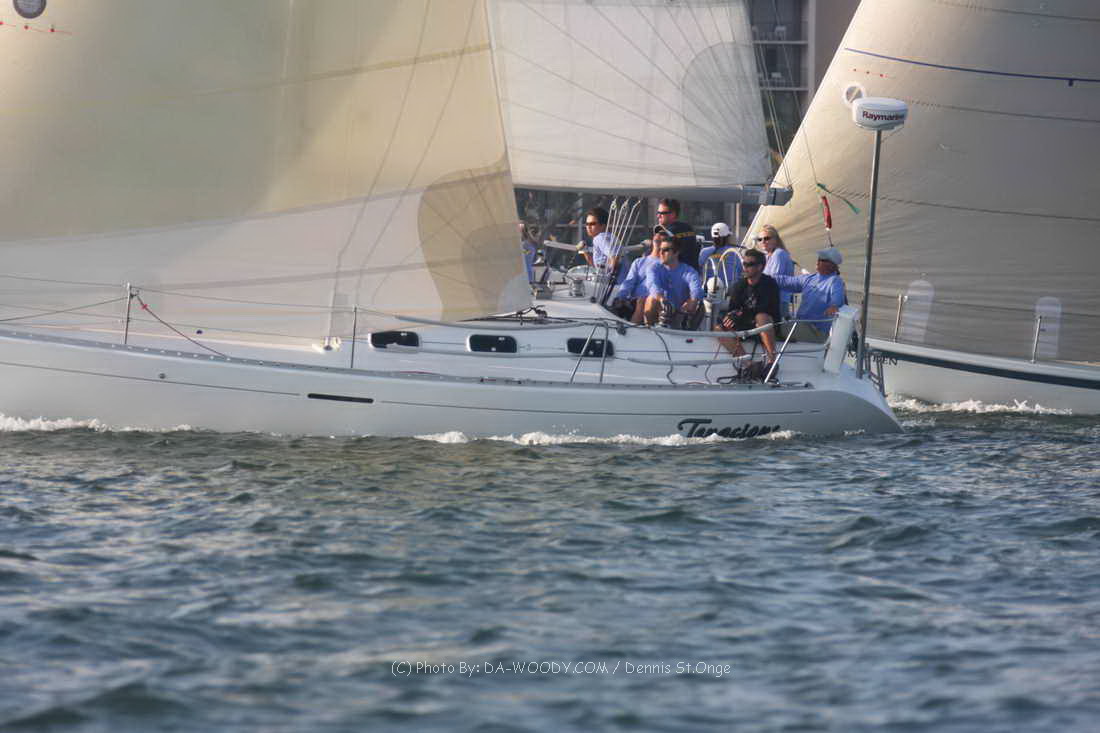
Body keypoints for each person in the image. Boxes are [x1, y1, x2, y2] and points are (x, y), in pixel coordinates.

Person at [716, 248, 780, 370]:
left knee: (761, 316)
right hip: (747, 324)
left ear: (760, 267)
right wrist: (731, 316)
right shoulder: (739, 286)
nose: (745, 268)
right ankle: (749, 365)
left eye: (749, 264)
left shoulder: (769, 284)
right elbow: (733, 309)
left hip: (766, 326)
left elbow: (762, 309)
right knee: (718, 329)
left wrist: (739, 314)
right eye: (744, 264)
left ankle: (772, 361)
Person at [771, 246, 847, 343]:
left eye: (822, 260)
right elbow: (785, 281)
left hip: (816, 331)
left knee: (771, 328)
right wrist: (763, 277)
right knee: (770, 323)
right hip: (800, 324)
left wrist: (834, 306)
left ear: (832, 265)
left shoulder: (835, 281)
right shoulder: (810, 278)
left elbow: (838, 299)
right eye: (818, 259)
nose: (818, 261)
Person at [641, 236, 703, 328]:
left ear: (676, 252)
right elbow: (652, 285)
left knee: (695, 303)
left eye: (665, 250)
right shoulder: (653, 268)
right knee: (651, 299)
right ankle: (649, 330)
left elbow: (696, 289)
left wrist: (693, 300)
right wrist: (662, 300)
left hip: (679, 314)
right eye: (660, 249)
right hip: (660, 310)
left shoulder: (689, 272)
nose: (661, 253)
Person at [614, 233, 664, 323]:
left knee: (643, 301)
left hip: (655, 303)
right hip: (634, 302)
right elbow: (628, 282)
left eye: (663, 234)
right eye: (657, 233)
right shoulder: (639, 262)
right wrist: (620, 297)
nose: (658, 236)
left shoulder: (669, 264)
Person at [757, 224, 794, 320]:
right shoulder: (767, 256)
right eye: (760, 239)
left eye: (767, 238)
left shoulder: (779, 254)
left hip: (777, 302)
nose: (763, 242)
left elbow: (773, 279)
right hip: (769, 300)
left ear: (775, 239)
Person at [655, 198, 700, 273]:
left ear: (672, 215)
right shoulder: (688, 228)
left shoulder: (667, 232)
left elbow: (656, 255)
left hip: (676, 274)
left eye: (662, 213)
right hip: (692, 271)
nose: (658, 216)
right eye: (658, 212)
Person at [698, 222, 743, 291]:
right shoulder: (733, 252)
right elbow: (740, 271)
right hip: (729, 291)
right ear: (725, 237)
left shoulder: (704, 252)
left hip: (708, 292)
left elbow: (699, 270)